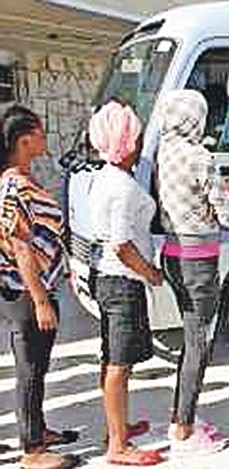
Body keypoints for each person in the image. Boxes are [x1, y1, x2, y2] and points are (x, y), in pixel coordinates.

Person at [0, 105, 79, 469]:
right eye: (41, 132)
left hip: (35, 286)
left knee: (39, 364)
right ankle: (32, 450)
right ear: (24, 139)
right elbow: (20, 246)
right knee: (30, 367)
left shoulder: (20, 180)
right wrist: (40, 299)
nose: (45, 138)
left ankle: (39, 429)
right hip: (25, 291)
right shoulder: (14, 186)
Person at [88, 101, 165, 466]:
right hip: (122, 280)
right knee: (119, 363)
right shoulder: (121, 186)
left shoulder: (102, 177)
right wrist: (151, 272)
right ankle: (117, 445)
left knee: (115, 359)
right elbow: (121, 244)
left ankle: (117, 427)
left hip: (107, 277)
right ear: (127, 142)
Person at [156, 89, 229, 453]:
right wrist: (225, 208)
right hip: (198, 259)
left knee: (190, 338)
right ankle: (183, 427)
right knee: (198, 342)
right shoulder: (200, 155)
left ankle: (183, 415)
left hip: (171, 253)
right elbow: (224, 209)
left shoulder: (164, 150)